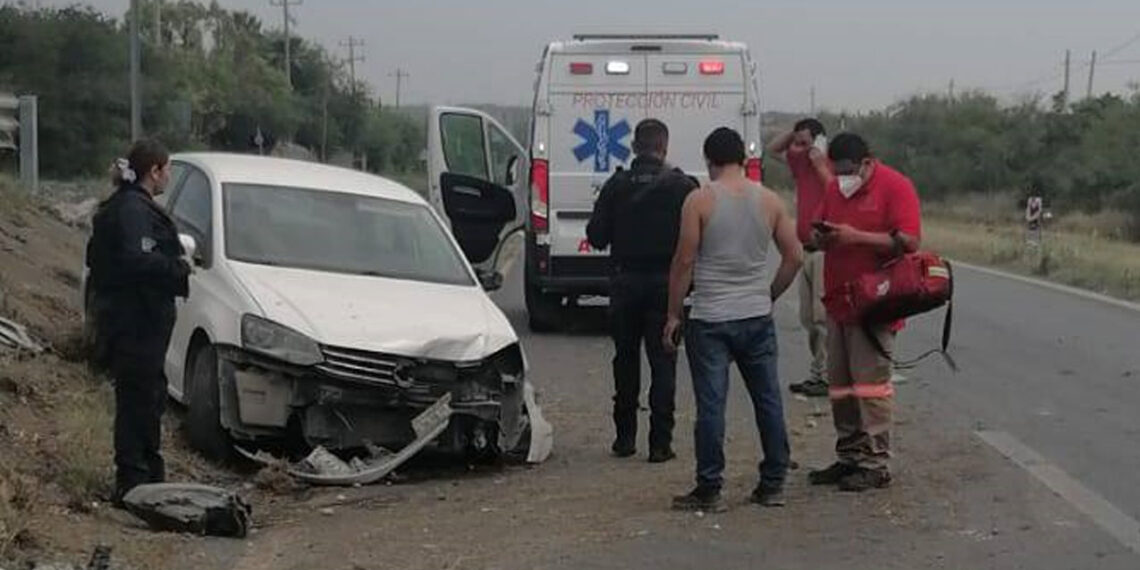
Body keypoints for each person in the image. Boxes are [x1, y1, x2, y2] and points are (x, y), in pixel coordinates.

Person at [664, 127, 803, 511]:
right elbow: (794, 256)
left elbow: (685, 261)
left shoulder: (700, 201)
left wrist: (673, 314)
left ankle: (709, 488)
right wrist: (769, 294)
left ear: (710, 160)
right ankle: (773, 482)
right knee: (768, 399)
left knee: (711, 405)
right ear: (743, 157)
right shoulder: (771, 201)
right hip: (756, 315)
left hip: (710, 317)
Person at [807, 133, 922, 492]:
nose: (844, 177)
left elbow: (910, 242)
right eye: (837, 170)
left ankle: (876, 461)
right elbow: (816, 228)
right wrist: (823, 237)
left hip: (877, 301)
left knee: (870, 386)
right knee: (840, 385)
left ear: (868, 162)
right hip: (839, 300)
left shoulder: (895, 187)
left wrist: (857, 237)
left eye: (849, 170)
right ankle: (850, 455)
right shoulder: (834, 190)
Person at [587, 119, 699, 463]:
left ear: (635, 147)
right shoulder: (683, 187)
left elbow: (596, 237)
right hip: (667, 286)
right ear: (664, 147)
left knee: (625, 358)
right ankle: (660, 443)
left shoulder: (616, 185)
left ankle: (624, 438)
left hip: (625, 283)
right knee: (664, 360)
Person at [86, 139, 190, 505]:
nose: (169, 177)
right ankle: (133, 481)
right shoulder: (132, 210)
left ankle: (147, 476)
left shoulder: (134, 207)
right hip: (134, 322)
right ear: (155, 171)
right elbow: (134, 260)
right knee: (137, 401)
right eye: (167, 170)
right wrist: (177, 267)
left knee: (149, 396)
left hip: (140, 322)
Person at [767, 118, 833, 397]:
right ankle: (818, 373)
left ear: (820, 142)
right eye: (799, 143)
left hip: (825, 250)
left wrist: (819, 159)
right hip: (806, 248)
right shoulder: (801, 163)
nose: (801, 148)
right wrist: (794, 132)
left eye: (807, 143)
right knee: (808, 317)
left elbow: (835, 191)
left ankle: (829, 375)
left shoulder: (828, 165)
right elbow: (772, 149)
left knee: (821, 317)